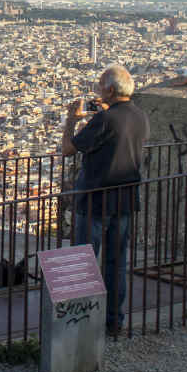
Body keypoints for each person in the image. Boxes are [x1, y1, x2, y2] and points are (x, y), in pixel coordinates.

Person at [62, 65, 151, 337]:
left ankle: (79, 322)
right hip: (125, 199)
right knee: (116, 262)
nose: (98, 90)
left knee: (83, 260)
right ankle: (114, 320)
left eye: (101, 86)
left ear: (110, 90)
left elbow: (67, 150)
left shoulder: (104, 120)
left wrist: (71, 120)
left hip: (95, 200)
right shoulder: (139, 116)